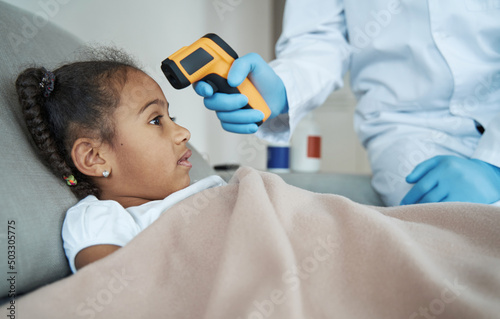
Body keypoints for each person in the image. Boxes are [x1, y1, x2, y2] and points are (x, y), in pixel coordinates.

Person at [194, 0, 500, 207]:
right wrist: (284, 88)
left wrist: (493, 164)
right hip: (409, 132)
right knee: (447, 237)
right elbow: (318, 39)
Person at [15, 48, 226, 273]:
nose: (183, 133)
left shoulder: (205, 192)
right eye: (155, 120)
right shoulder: (102, 219)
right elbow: (120, 291)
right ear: (94, 158)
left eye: (171, 117)